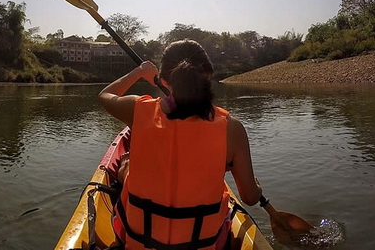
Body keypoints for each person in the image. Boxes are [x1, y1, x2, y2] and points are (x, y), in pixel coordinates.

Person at [98, 39, 263, 250]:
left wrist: (139, 72)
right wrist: (257, 188)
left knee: (126, 169)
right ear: (209, 74)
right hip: (202, 245)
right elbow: (249, 197)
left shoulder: (138, 110)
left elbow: (104, 95)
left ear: (164, 81)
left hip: (138, 244)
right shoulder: (232, 129)